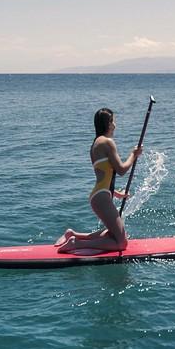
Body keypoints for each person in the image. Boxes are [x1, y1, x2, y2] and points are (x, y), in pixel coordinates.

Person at [56, 107, 142, 253]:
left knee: (111, 234)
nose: (115, 125)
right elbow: (121, 170)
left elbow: (104, 175)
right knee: (121, 243)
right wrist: (133, 155)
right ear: (108, 123)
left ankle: (73, 235)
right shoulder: (107, 142)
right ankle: (75, 243)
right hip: (101, 197)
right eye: (113, 121)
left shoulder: (95, 144)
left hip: (100, 194)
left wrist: (115, 193)